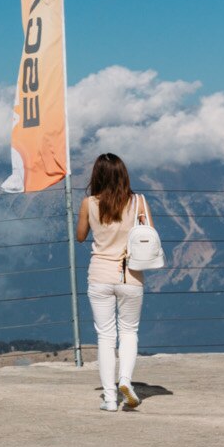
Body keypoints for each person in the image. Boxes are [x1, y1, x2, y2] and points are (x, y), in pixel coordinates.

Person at [76, 152, 147, 413]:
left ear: (97, 176)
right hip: (131, 275)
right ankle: (126, 381)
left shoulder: (89, 203)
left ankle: (108, 398)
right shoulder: (138, 202)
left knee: (105, 336)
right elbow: (150, 233)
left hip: (100, 276)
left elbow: (80, 236)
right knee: (129, 331)